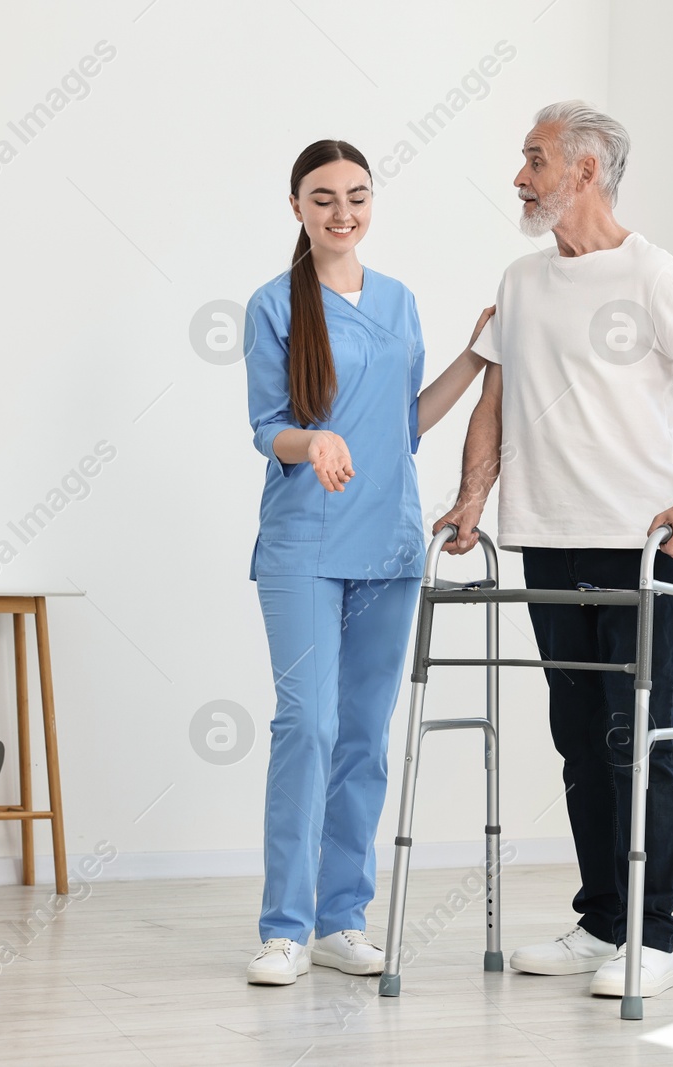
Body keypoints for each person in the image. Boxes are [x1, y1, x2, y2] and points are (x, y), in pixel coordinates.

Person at [437, 102, 673, 999]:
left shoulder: (655, 276)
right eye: (524, 160)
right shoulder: (521, 279)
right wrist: (473, 500)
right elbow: (493, 403)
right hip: (546, 540)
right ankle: (601, 922)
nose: (520, 175)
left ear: (586, 171)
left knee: (642, 742)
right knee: (580, 738)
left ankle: (651, 937)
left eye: (535, 160)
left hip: (641, 550)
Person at [242, 139, 493, 985]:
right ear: (297, 207)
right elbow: (265, 426)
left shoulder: (399, 302)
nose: (341, 212)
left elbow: (406, 424)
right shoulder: (275, 304)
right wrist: (311, 440)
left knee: (362, 739)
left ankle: (339, 920)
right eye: (323, 198)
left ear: (371, 203)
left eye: (356, 196)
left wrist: (475, 356)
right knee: (305, 726)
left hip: (388, 545)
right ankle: (283, 927)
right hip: (305, 546)